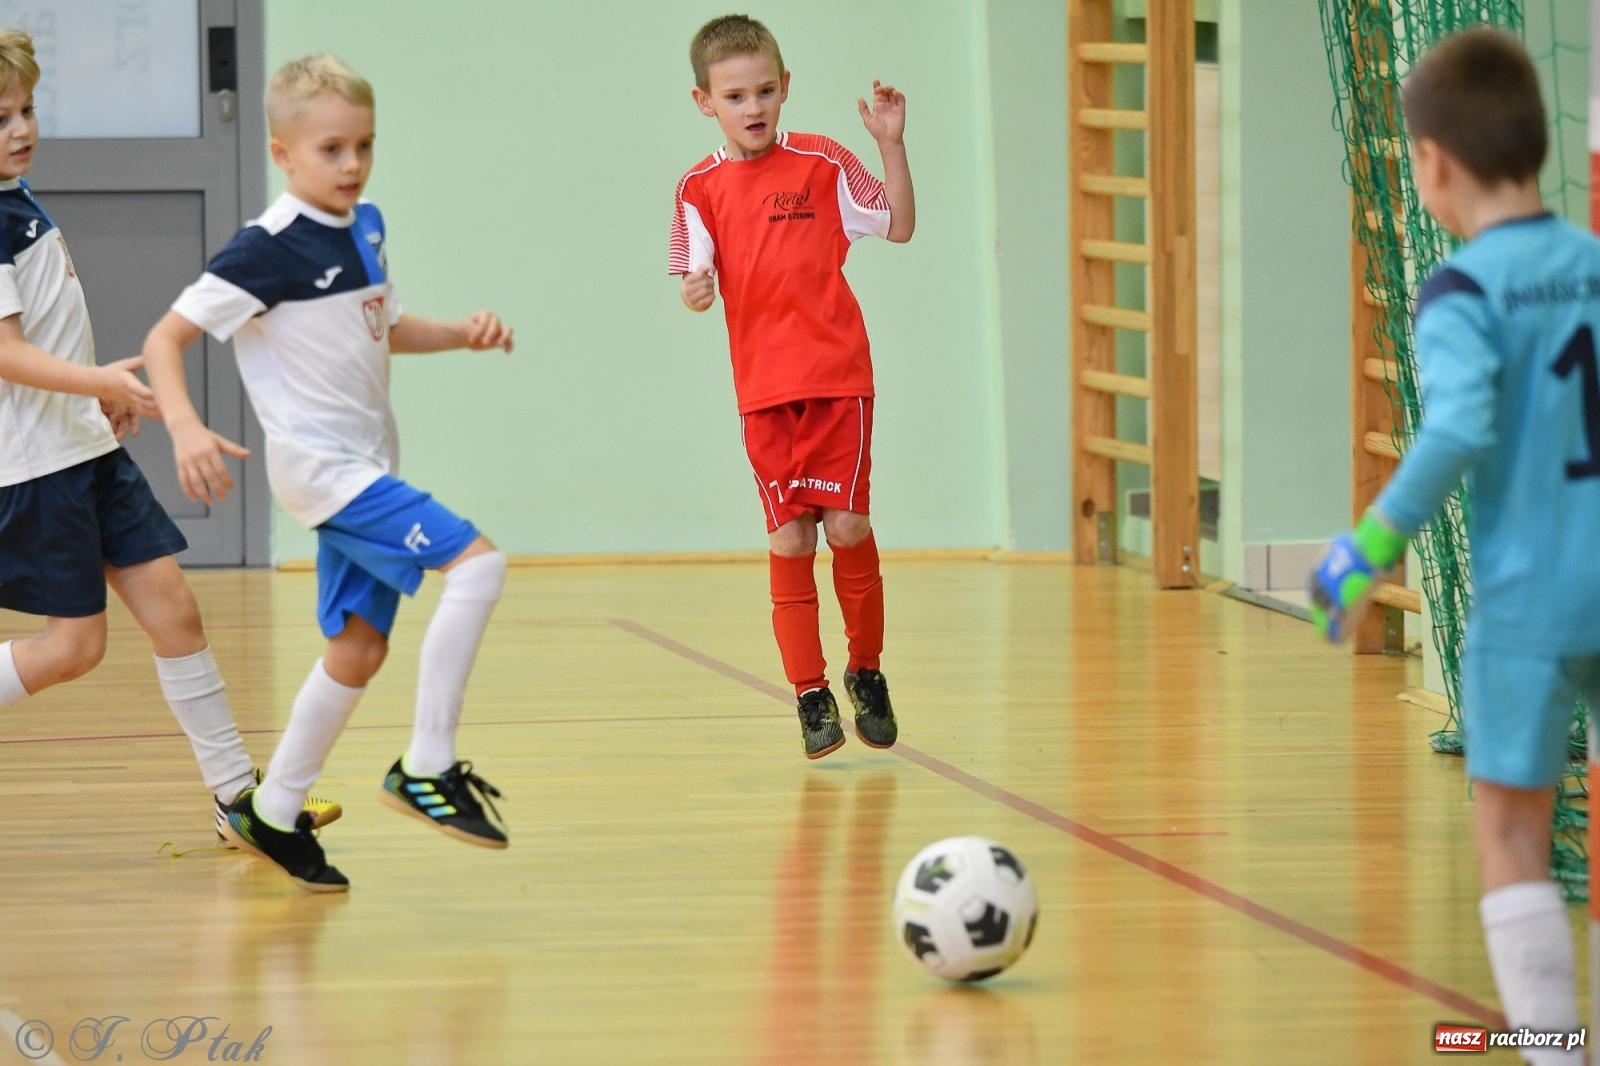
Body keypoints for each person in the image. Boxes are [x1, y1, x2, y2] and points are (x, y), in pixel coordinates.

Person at [143, 54, 514, 892]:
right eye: (332, 150)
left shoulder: (365, 225)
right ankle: (427, 765)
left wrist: (461, 332)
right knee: (479, 562)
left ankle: (274, 811)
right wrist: (186, 426)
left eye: (364, 146)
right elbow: (167, 339)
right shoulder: (264, 250)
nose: (352, 165)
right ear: (283, 152)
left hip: (366, 463)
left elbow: (379, 329)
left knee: (359, 646)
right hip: (324, 472)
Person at [1309, 28, 1597, 1063]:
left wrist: (1364, 547)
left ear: (1428, 163)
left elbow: (1460, 428)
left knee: (1515, 831)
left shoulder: (1460, 293)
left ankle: (1556, 1050)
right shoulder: (1596, 266)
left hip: (1529, 605)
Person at [0, 28, 339, 841]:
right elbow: (6, 354)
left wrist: (96, 388)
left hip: (84, 449)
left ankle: (240, 803)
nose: (21, 129)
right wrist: (96, 385)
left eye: (26, 109)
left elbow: (41, 342)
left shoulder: (18, 202)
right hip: (37, 468)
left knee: (176, 613)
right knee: (75, 648)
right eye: (0, 116)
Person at [669, 14, 914, 759]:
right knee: (790, 536)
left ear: (785, 89)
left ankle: (865, 671)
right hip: (765, 392)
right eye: (735, 95)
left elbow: (898, 226)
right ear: (705, 101)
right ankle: (810, 695)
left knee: (846, 528)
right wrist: (696, 290)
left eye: (765, 91)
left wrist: (891, 144)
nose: (754, 107)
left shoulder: (825, 162)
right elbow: (691, 273)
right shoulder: (698, 188)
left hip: (839, 380)